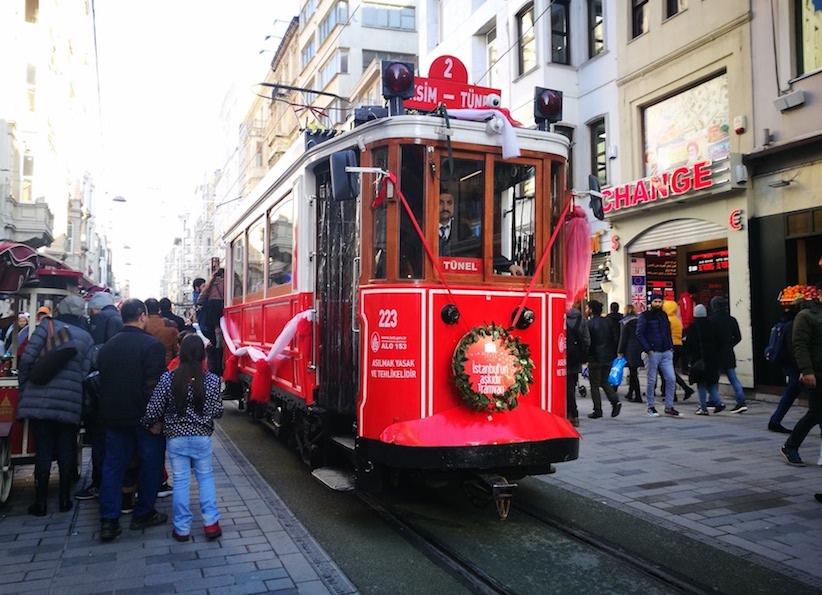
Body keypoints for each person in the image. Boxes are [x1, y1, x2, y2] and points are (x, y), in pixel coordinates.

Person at [97, 299, 167, 541]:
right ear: (141, 316)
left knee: (113, 467)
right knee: (151, 465)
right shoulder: (152, 346)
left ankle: (109, 520)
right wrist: (156, 418)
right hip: (144, 419)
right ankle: (143, 513)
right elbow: (154, 388)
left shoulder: (107, 347)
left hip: (114, 417)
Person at [17, 295, 94, 515]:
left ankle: (40, 502)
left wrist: (25, 388)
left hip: (40, 397)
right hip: (69, 402)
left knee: (43, 449)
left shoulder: (46, 326)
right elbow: (84, 373)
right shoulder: (86, 337)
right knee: (66, 449)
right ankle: (64, 500)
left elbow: (27, 359)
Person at [142, 335, 223, 541]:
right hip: (202, 437)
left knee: (180, 481)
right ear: (203, 355)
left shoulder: (169, 378)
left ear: (181, 352)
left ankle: (182, 528)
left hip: (176, 438)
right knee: (205, 478)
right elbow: (217, 411)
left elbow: (154, 408)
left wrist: (148, 423)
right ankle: (211, 524)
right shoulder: (212, 380)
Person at [75, 292, 125, 501]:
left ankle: (100, 484)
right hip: (120, 395)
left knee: (100, 440)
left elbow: (92, 357)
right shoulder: (119, 321)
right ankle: (121, 486)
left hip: (98, 392)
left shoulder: (99, 322)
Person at [780, 281, 822, 467]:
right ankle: (791, 446)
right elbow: (800, 345)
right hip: (816, 372)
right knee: (816, 413)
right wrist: (806, 371)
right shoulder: (806, 316)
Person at [636, 293, 680, 417]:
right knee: (651, 380)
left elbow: (668, 332)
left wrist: (670, 347)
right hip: (652, 352)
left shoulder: (664, 315)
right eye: (655, 301)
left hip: (666, 351)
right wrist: (648, 349)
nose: (658, 304)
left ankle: (669, 406)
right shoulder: (645, 316)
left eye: (660, 301)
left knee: (671, 378)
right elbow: (639, 333)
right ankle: (650, 406)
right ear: (651, 302)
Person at [684, 305, 727, 415]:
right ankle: (718, 402)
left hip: (699, 361)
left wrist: (690, 359)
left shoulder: (692, 328)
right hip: (712, 359)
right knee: (711, 383)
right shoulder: (713, 326)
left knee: (701, 384)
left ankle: (703, 408)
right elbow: (720, 342)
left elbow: (689, 346)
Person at [709, 296, 747, 413]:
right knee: (733, 378)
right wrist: (730, 345)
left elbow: (710, 339)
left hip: (716, 354)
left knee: (714, 379)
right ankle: (741, 402)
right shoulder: (732, 319)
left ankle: (714, 400)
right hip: (729, 352)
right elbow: (738, 337)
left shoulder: (711, 320)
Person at [768, 302, 802, 433]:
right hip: (796, 365)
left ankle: (775, 421)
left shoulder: (784, 323)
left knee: (792, 391)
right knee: (814, 398)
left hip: (788, 364)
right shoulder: (793, 325)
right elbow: (795, 347)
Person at [585, 300, 621, 419]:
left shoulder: (589, 324)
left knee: (594, 385)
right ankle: (615, 401)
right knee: (604, 381)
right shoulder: (608, 322)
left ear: (591, 310)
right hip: (607, 356)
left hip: (595, 357)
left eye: (587, 308)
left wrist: (586, 355)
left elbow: (588, 342)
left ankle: (597, 410)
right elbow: (614, 338)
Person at [661, 300, 695, 401]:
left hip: (670, 347)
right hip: (679, 346)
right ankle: (677, 392)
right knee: (670, 371)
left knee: (668, 372)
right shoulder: (677, 319)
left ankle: (681, 391)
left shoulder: (667, 320)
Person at [565, 305, 590, 427]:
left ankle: (569, 413)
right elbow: (587, 340)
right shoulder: (581, 319)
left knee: (564, 388)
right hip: (575, 358)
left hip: (562, 357)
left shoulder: (560, 317)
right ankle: (574, 415)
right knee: (571, 386)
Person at [198, 269, 225, 374]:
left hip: (213, 318)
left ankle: (216, 369)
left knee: (216, 342)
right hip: (224, 315)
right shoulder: (231, 282)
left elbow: (200, 299)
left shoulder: (210, 284)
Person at [618, 304, 644, 402]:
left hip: (630, 349)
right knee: (634, 371)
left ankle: (637, 396)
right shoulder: (639, 320)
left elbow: (623, 337)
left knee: (633, 372)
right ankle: (630, 393)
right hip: (639, 348)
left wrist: (620, 351)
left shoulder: (625, 322)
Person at [145, 298, 179, 365]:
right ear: (159, 309)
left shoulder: (142, 325)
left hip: (146, 365)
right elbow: (177, 349)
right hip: (167, 365)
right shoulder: (170, 324)